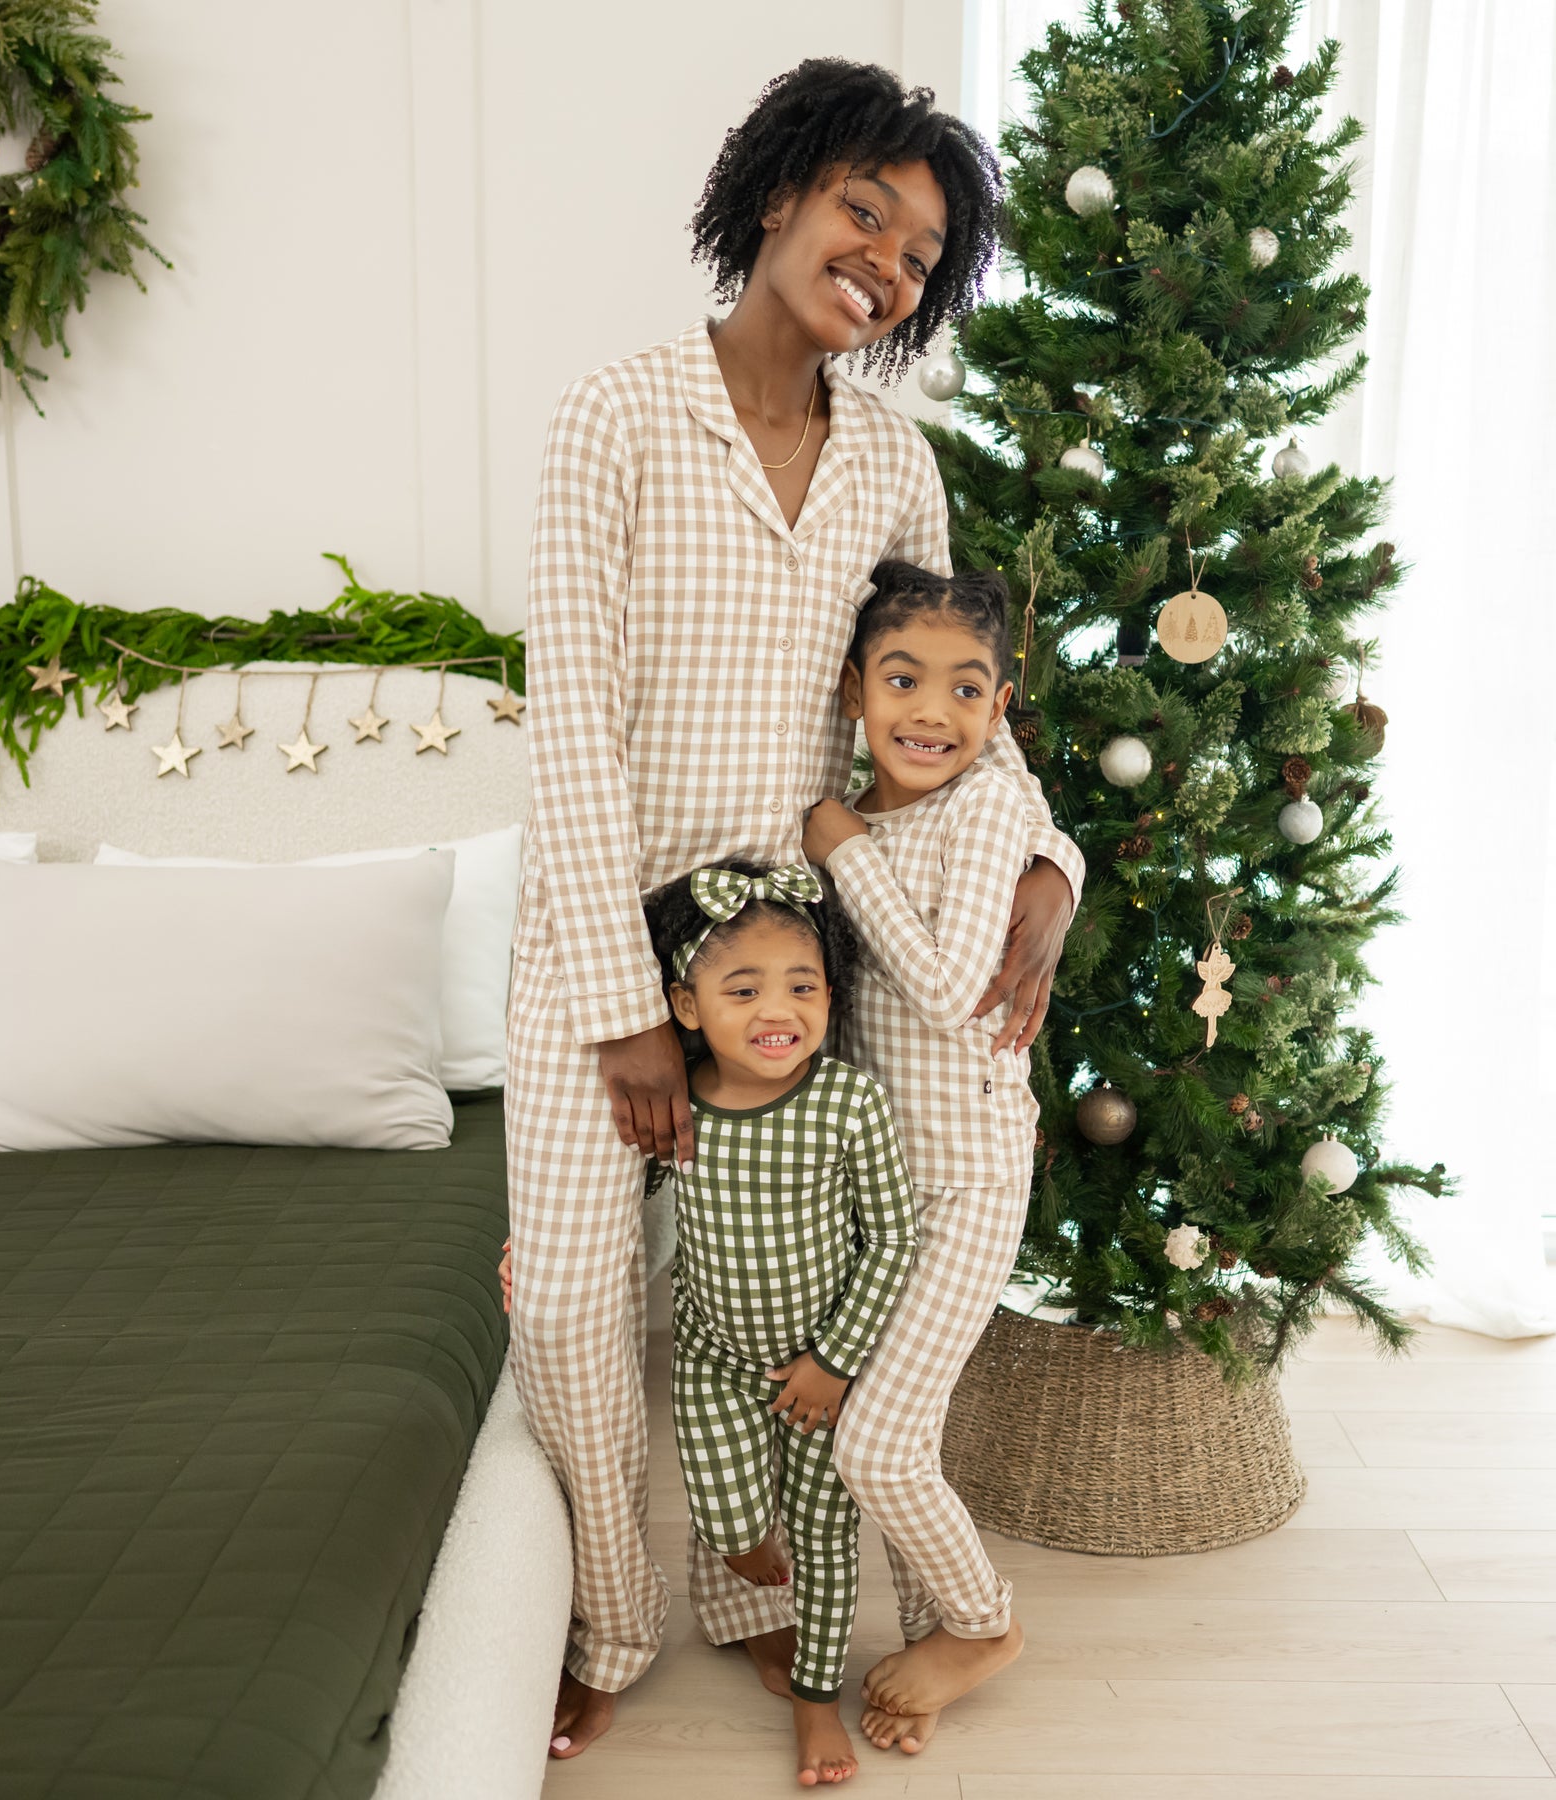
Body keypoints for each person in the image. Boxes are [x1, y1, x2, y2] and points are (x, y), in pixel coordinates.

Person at [506, 57, 1085, 1761]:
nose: (887, 262)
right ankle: (611, 1613)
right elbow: (576, 729)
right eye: (864, 213)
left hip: (802, 985)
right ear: (775, 196)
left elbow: (966, 728)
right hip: (601, 963)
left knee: (764, 1307)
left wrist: (1053, 875)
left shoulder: (896, 466)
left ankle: (759, 1596)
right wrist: (628, 1010)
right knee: (567, 1307)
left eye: (919, 254)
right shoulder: (615, 416)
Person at [803, 561, 1083, 1756]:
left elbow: (953, 987)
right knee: (893, 1426)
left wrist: (842, 848)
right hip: (882, 1189)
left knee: (877, 1437)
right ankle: (927, 1630)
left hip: (968, 1181)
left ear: (1000, 709)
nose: (932, 711)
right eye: (904, 680)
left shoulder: (982, 812)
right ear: (857, 692)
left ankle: (980, 1624)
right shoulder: (870, 798)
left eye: (967, 691)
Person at [640, 861, 914, 1785]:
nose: (779, 1008)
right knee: (732, 1519)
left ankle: (814, 1699)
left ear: (831, 996)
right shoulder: (677, 1109)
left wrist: (834, 1364)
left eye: (803, 987)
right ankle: (755, 1592)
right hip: (714, 1358)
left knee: (827, 1540)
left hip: (823, 1374)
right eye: (743, 987)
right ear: (687, 1005)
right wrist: (538, 1249)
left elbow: (892, 1243)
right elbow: (612, 1208)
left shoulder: (850, 1103)